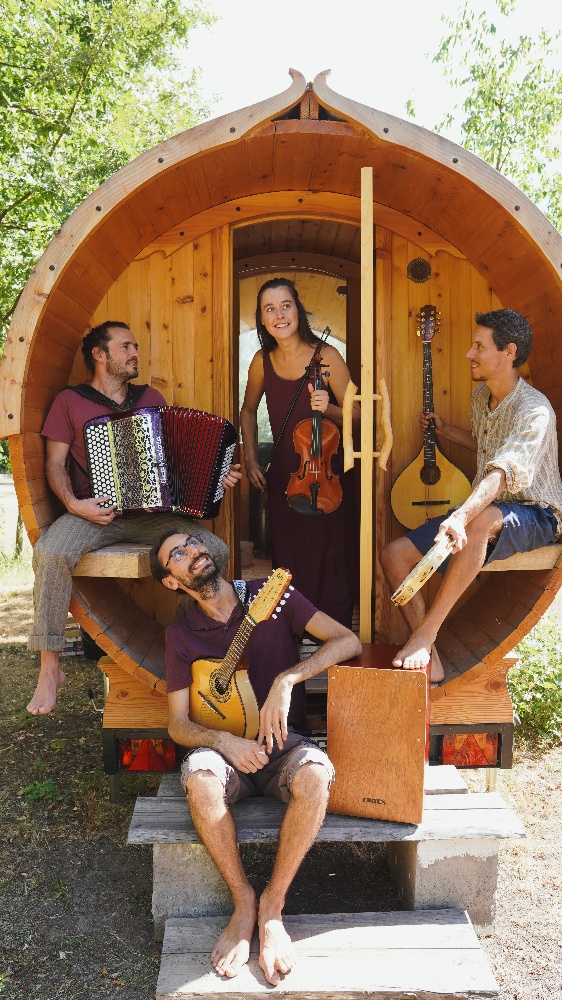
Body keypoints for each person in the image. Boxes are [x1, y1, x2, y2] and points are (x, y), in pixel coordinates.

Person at [149, 528, 361, 985]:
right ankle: (244, 900)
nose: (193, 553)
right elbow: (177, 723)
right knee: (201, 778)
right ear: (172, 581)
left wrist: (288, 679)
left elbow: (347, 641)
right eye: (178, 555)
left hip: (284, 744)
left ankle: (273, 906)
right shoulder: (181, 635)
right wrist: (224, 743)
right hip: (228, 757)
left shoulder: (271, 595)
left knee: (317, 776)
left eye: (194, 543)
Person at [27, 320, 241, 716]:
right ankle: (50, 666)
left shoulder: (150, 397)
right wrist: (75, 504)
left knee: (215, 549)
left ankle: (192, 644)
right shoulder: (70, 401)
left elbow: (176, 464)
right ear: (99, 354)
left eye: (136, 346)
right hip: (94, 512)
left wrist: (215, 478)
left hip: (154, 516)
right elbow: (54, 463)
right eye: (125, 346)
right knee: (50, 552)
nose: (134, 353)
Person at [380, 309, 562, 682]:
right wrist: (447, 432)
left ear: (509, 352)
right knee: (393, 555)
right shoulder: (482, 397)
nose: (469, 353)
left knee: (481, 517)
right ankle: (431, 654)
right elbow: (486, 446)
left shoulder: (535, 410)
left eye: (479, 346)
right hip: (490, 510)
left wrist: (461, 516)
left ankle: (424, 635)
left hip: (538, 512)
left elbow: (502, 471)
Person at [240, 278, 359, 629]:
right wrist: (250, 458)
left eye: (286, 305)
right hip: (286, 477)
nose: (279, 315)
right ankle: (292, 637)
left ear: (298, 310)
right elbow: (248, 411)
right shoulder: (262, 361)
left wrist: (333, 409)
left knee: (333, 558)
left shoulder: (328, 357)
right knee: (290, 561)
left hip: (330, 475)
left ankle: (337, 641)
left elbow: (359, 413)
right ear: (262, 319)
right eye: (270, 309)